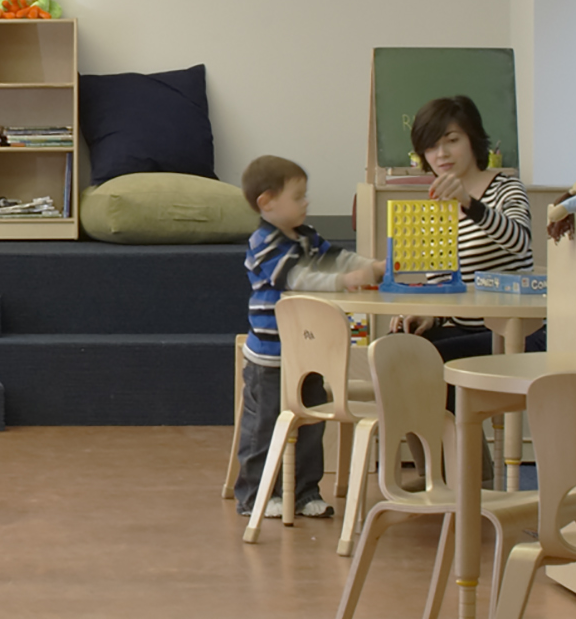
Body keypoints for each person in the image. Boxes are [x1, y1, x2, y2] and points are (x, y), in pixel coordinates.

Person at [233, 153, 380, 521]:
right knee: (265, 426)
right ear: (267, 202)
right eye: (298, 196)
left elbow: (337, 258)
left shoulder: (307, 236)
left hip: (307, 353)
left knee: (312, 422)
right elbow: (296, 278)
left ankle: (304, 492)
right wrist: (343, 282)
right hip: (271, 358)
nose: (306, 202)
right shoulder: (264, 243)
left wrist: (370, 266)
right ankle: (256, 494)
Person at [399, 95, 546, 360]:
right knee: (395, 347)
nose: (441, 154)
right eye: (431, 146)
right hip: (465, 330)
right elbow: (443, 285)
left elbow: (519, 241)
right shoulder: (436, 208)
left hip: (515, 333)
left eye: (452, 140)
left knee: (424, 358)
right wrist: (430, 316)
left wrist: (469, 203)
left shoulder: (506, 188)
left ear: (472, 140)